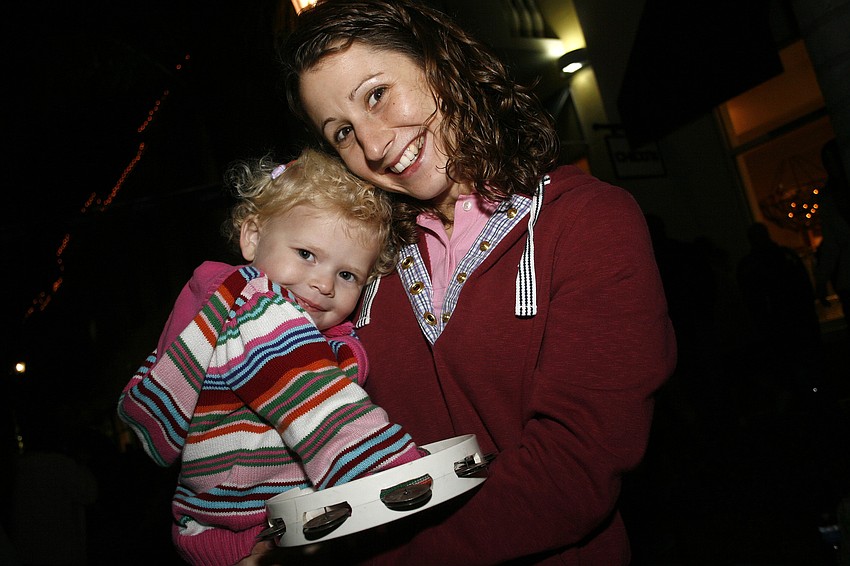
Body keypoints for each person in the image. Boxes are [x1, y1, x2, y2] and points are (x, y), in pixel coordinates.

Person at [273, 1, 677, 564]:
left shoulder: (584, 221)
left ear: (440, 63)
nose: (372, 145)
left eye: (376, 94)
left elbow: (572, 473)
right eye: (342, 131)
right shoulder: (355, 273)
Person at [117, 148, 423, 566]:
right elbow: (311, 397)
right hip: (246, 529)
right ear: (253, 237)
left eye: (347, 274)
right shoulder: (258, 310)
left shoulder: (290, 324)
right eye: (306, 254)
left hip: (237, 527)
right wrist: (392, 470)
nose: (323, 284)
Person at [814, 138, 850, 314]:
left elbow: (831, 244)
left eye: (833, 160)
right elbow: (831, 243)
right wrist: (821, 280)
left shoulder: (829, 197)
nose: (832, 166)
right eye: (828, 162)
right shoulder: (828, 198)